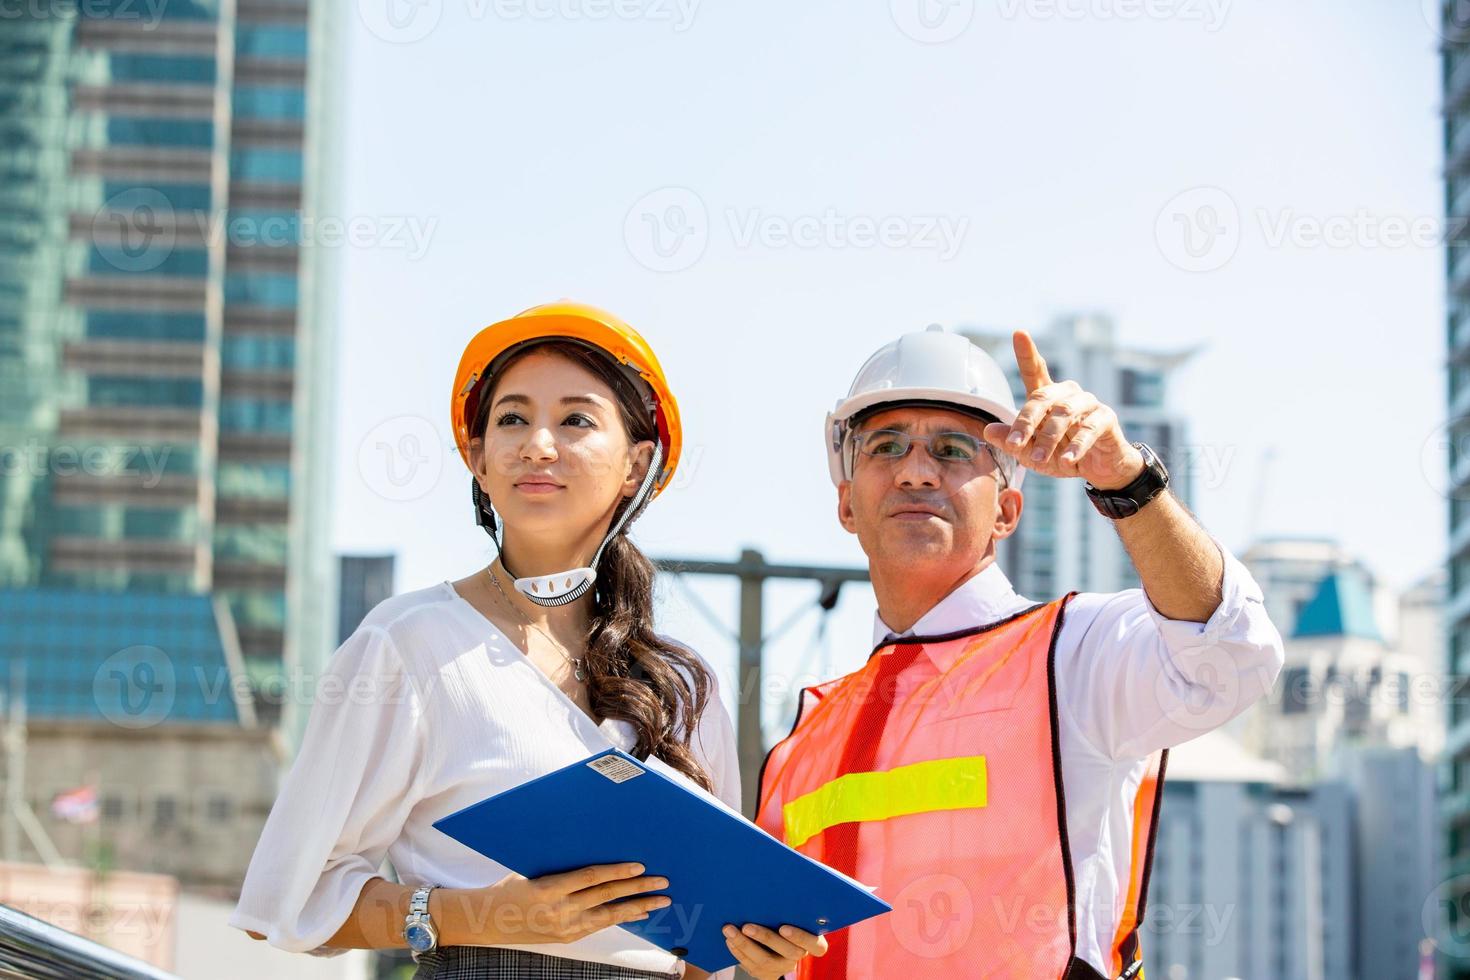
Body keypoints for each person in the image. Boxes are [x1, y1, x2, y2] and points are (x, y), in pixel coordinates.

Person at [230, 302, 827, 979]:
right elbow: (293, 897)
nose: (537, 443)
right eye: (512, 418)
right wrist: (482, 914)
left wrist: (756, 958)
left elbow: (704, 962)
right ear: (479, 460)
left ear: (636, 465)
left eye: (575, 419)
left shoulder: (685, 690)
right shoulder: (407, 645)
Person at [755, 324, 1285, 979]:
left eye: (952, 450)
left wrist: (1126, 479)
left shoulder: (1072, 656)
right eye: (885, 446)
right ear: (846, 503)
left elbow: (1234, 653)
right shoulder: (803, 740)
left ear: (1007, 511)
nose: (916, 470)